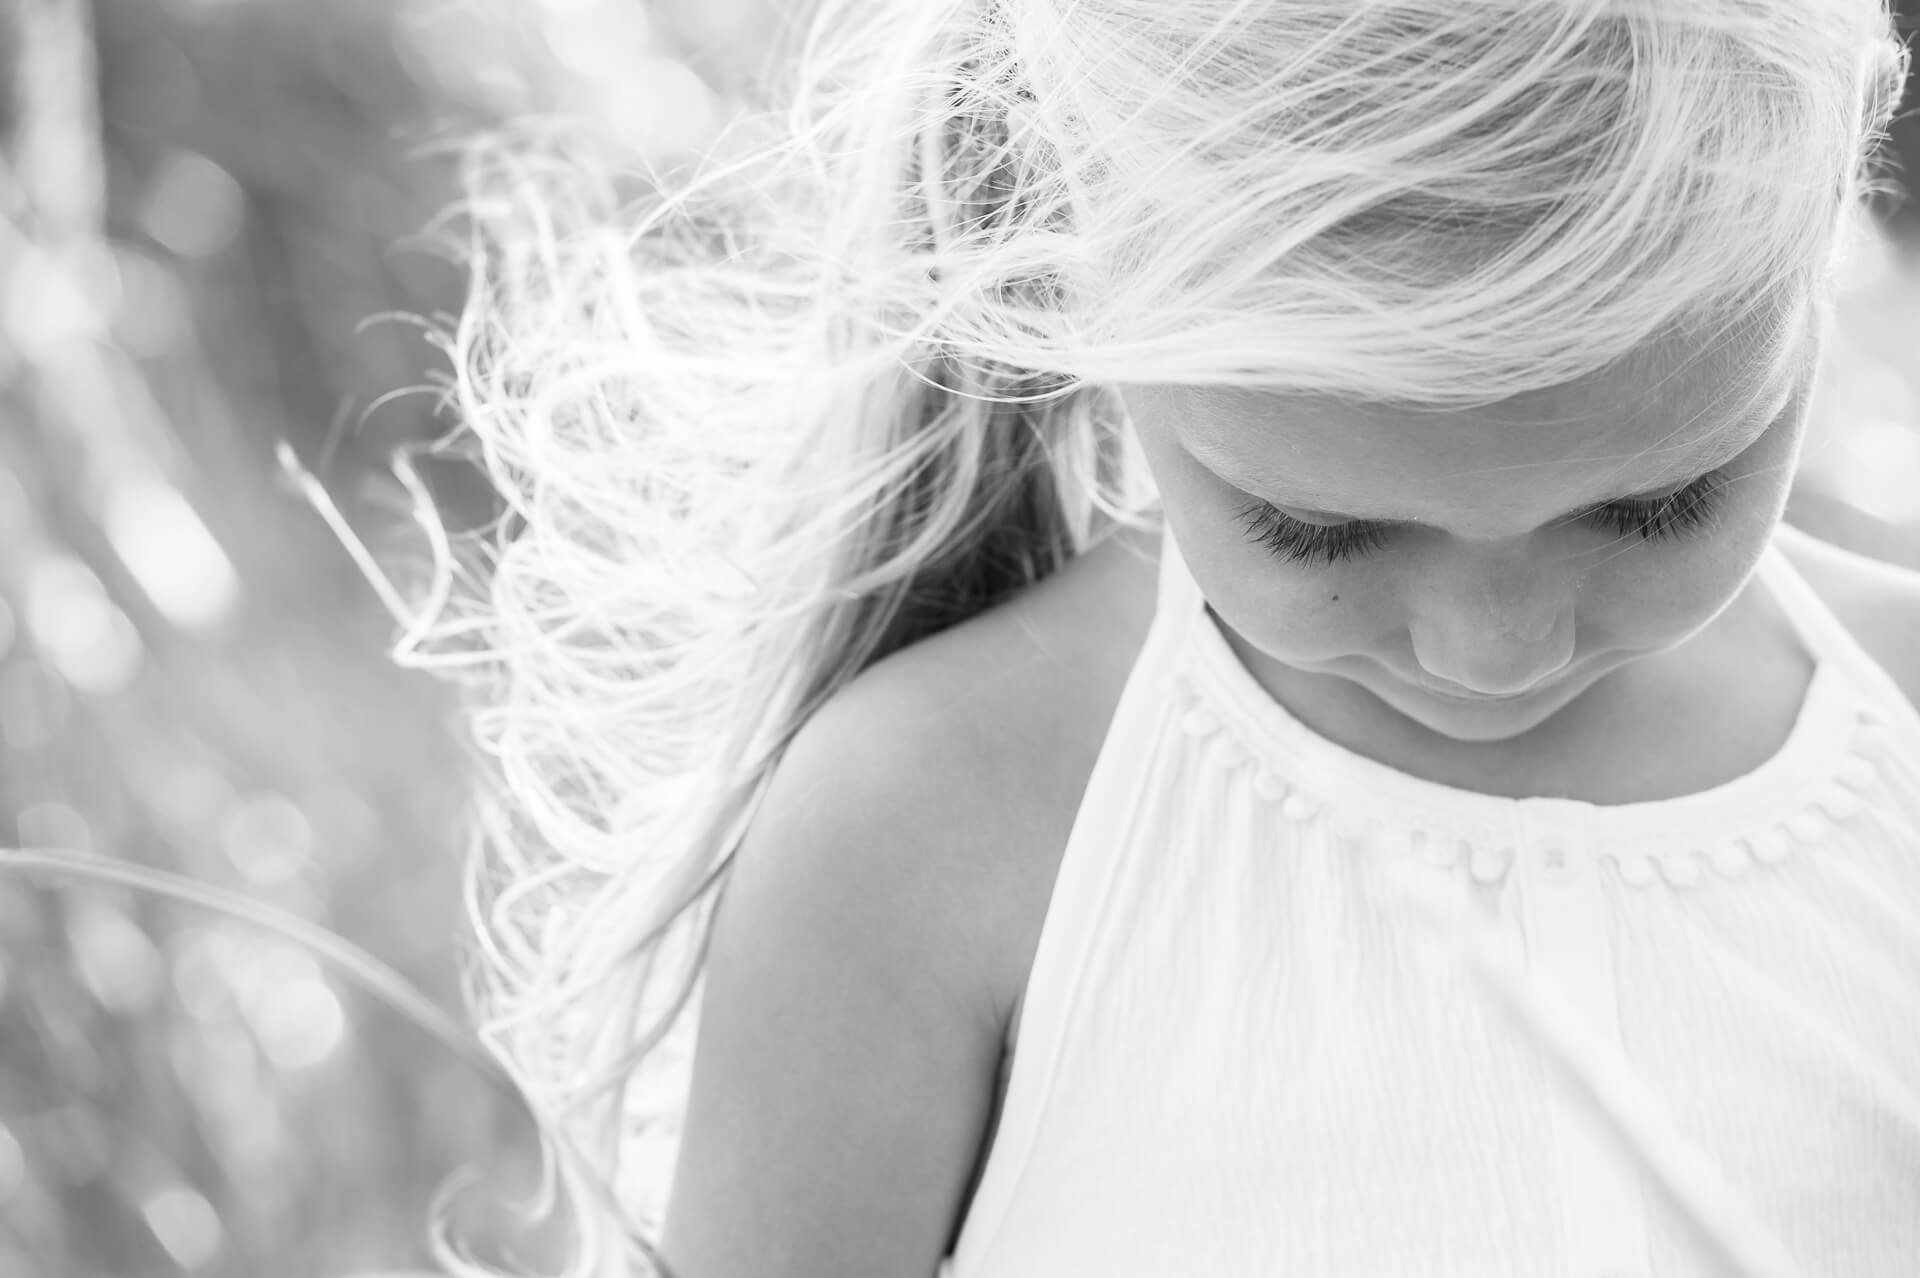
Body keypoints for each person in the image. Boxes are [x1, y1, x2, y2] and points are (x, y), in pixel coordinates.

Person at [416, 1, 1920, 1275]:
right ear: (1075, 263)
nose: (1493, 652)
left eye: (1656, 505)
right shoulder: (932, 835)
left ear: (1825, 229)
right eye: (1320, 529)